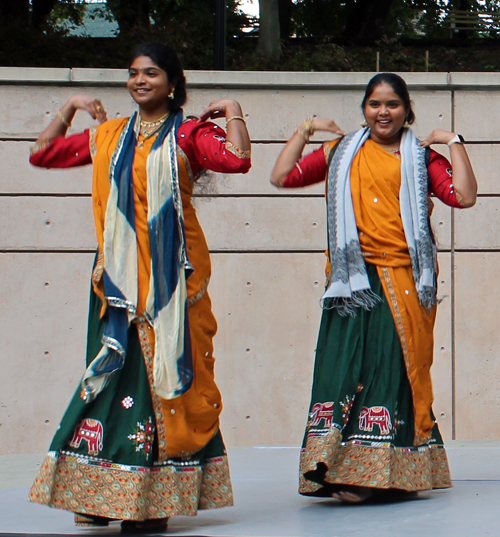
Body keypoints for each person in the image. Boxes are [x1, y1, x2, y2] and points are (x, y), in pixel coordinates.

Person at [28, 42, 251, 532]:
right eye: (132, 74)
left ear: (172, 83)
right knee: (112, 378)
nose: (139, 81)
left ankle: (153, 500)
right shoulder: (107, 135)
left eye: (150, 73)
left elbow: (236, 160)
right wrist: (68, 108)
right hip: (117, 282)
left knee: (166, 382)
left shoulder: (190, 134)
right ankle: (101, 489)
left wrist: (234, 111)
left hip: (173, 282)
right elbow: (41, 155)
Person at [271, 73, 477, 503]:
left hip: (402, 279)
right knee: (343, 369)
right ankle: (336, 467)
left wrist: (453, 141)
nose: (383, 112)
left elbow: (464, 196)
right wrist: (305, 130)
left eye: (392, 105)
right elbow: (282, 176)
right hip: (351, 282)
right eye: (374, 104)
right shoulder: (342, 152)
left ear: (406, 110)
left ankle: (385, 473)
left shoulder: (420, 158)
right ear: (364, 109)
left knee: (390, 369)